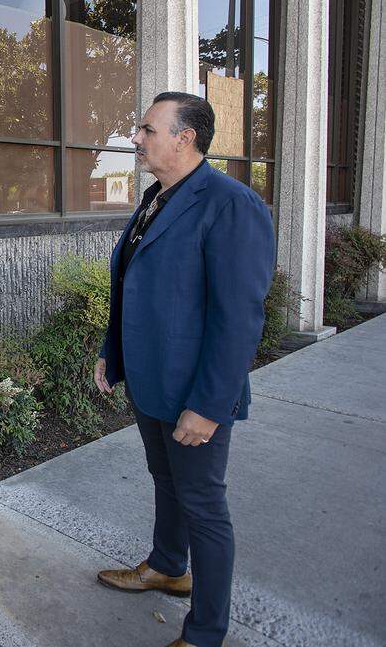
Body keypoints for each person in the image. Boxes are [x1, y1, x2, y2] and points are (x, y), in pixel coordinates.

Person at [93, 93, 275, 647]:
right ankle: (169, 566)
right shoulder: (156, 198)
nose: (137, 138)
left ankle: (205, 632)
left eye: (148, 129)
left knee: (204, 508)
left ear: (185, 137)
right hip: (152, 383)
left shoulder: (231, 204)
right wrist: (112, 351)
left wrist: (209, 405)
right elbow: (132, 283)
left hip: (194, 393)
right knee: (166, 484)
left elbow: (238, 318)